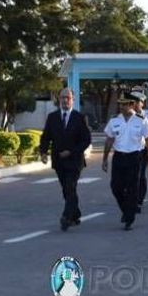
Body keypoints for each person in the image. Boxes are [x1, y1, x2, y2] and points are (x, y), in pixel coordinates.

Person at [39, 88, 92, 231]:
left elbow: (86, 140)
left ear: (73, 100)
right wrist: (43, 152)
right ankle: (76, 214)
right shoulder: (52, 117)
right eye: (63, 98)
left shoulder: (79, 117)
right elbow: (46, 137)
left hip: (75, 161)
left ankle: (66, 217)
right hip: (58, 161)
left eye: (68, 98)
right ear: (59, 100)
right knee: (66, 190)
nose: (65, 100)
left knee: (70, 186)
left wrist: (71, 151)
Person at [102, 93, 148, 230]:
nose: (121, 106)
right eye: (120, 104)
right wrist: (105, 159)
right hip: (119, 156)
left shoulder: (141, 120)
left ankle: (129, 218)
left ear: (132, 104)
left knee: (132, 188)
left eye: (124, 104)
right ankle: (126, 210)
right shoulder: (114, 120)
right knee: (115, 187)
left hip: (134, 157)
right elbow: (109, 140)